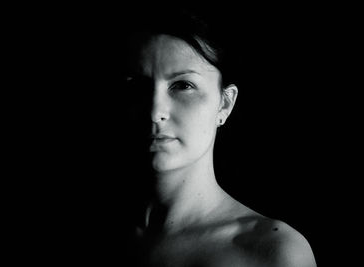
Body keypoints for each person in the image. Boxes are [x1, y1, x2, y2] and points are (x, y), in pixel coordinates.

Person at [117, 7, 317, 267]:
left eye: (183, 85)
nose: (155, 112)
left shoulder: (270, 252)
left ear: (224, 104)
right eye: (137, 86)